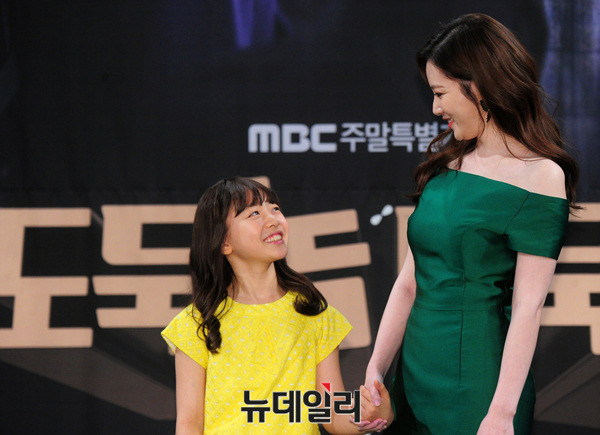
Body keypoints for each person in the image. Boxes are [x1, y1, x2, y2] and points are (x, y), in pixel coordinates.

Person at [363, 13, 579, 434]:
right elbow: (409, 283)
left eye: (440, 93)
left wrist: (501, 413)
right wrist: (376, 367)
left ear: (478, 86)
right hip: (413, 372)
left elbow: (529, 306)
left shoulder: (541, 176)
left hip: (481, 383)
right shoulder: (446, 166)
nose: (435, 108)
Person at [162, 177, 393, 434]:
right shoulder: (197, 322)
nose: (273, 219)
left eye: (275, 208)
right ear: (224, 242)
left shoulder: (313, 311)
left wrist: (372, 416)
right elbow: (189, 423)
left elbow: (330, 413)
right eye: (254, 214)